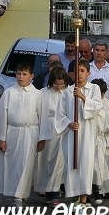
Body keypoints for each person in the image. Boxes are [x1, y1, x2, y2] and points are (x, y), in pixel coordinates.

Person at [0, 63, 46, 208]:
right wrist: (1, 137)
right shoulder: (9, 93)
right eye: (19, 74)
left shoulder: (38, 94)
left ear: (31, 76)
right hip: (12, 131)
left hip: (30, 132)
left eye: (24, 74)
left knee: (25, 164)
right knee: (13, 163)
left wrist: (42, 138)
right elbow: (2, 115)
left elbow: (43, 117)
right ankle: (15, 193)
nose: (21, 77)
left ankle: (19, 196)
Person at [55, 59, 103, 215]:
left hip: (87, 135)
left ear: (88, 73)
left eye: (83, 71)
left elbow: (97, 107)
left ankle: (83, 201)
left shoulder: (94, 89)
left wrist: (82, 97)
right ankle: (75, 198)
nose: (80, 74)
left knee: (85, 166)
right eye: (77, 71)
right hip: (72, 135)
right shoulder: (67, 92)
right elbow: (59, 114)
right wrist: (68, 123)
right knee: (71, 167)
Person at [35, 67, 68, 207]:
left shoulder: (68, 93)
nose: (59, 87)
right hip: (46, 130)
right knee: (45, 162)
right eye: (56, 84)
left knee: (58, 163)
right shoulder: (43, 93)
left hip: (62, 131)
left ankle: (55, 192)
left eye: (61, 84)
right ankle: (47, 192)